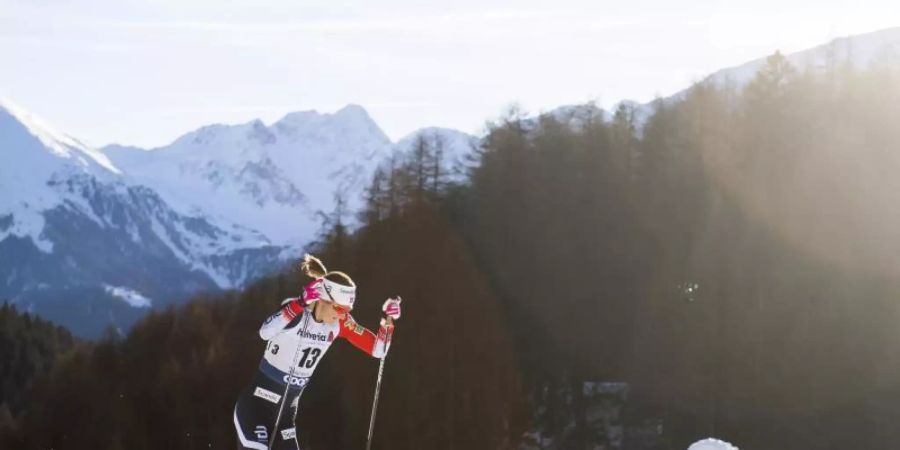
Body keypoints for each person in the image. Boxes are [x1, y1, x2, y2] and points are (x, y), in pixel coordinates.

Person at [233, 254, 402, 450]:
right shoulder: (297, 312)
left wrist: (388, 322)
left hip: (286, 418)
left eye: (347, 309)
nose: (343, 314)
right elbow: (265, 332)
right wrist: (299, 304)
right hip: (257, 409)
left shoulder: (339, 324)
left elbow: (378, 350)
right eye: (339, 308)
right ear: (323, 299)